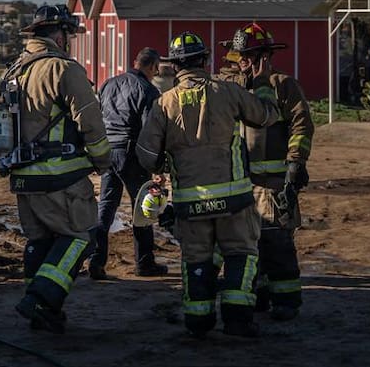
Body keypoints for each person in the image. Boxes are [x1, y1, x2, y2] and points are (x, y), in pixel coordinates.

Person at [135, 32, 278, 339]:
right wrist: (263, 82)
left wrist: (162, 166)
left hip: (190, 204)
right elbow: (267, 116)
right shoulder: (228, 92)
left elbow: (145, 154)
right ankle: (238, 320)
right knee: (240, 254)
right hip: (234, 201)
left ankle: (198, 320)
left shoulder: (164, 103)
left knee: (196, 258)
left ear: (174, 66)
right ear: (205, 60)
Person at [1, 4, 111, 334]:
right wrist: (103, 160)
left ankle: (39, 307)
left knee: (40, 240)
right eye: (69, 36)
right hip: (59, 177)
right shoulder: (63, 69)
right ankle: (41, 301)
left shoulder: (13, 70)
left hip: (23, 176)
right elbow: (90, 120)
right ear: (60, 35)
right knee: (81, 237)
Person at [224, 23, 315, 321]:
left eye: (249, 55)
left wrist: (295, 163)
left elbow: (301, 125)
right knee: (246, 247)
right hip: (239, 185)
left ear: (265, 56)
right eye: (240, 55)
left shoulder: (283, 85)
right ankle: (257, 296)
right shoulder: (231, 87)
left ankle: (286, 300)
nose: (242, 61)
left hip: (273, 185)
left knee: (277, 245)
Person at [88, 47, 168, 280]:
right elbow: (149, 131)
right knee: (142, 209)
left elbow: (98, 115)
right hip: (131, 153)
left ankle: (96, 260)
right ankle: (144, 263)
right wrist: (156, 166)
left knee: (106, 207)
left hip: (107, 151)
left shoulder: (108, 84)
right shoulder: (148, 90)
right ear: (153, 67)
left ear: (135, 62)